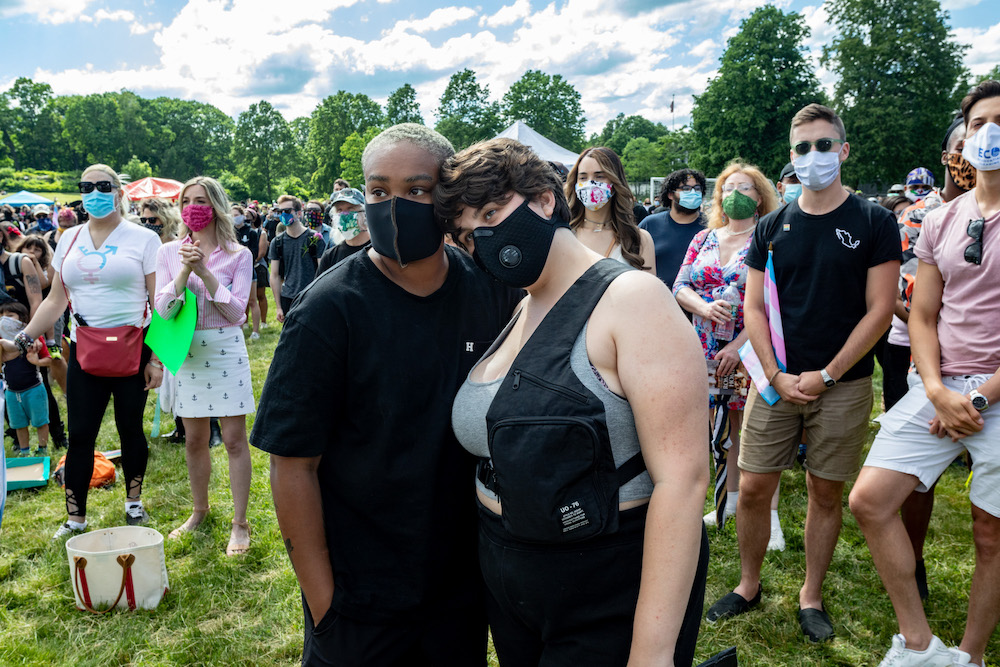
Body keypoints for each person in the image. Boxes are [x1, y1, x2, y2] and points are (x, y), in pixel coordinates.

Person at [251, 124, 520, 666]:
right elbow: (292, 463)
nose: (394, 207)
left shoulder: (488, 290)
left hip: (459, 585)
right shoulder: (329, 310)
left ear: (444, 198)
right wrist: (325, 604)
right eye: (379, 191)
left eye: (417, 190)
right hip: (360, 595)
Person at [436, 136, 709, 667]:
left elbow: (683, 481)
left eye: (492, 212)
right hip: (512, 578)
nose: (484, 238)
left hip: (603, 582)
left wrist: (651, 653)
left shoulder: (632, 300)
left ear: (542, 199)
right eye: (469, 233)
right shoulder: (523, 304)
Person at [705, 104, 900, 644]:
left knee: (825, 493)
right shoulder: (771, 225)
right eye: (802, 147)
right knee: (751, 488)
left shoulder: (872, 220)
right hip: (775, 382)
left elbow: (880, 309)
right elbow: (754, 310)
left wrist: (828, 375)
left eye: (823, 145)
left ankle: (810, 595)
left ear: (842, 149)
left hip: (845, 383)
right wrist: (775, 372)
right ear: (791, 156)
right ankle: (748, 585)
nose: (812, 156)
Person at [849, 80, 1000, 667]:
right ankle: (919, 644)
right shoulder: (941, 220)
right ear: (963, 138)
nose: (992, 133)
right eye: (981, 121)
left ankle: (970, 655)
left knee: (990, 536)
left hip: (992, 395)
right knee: (871, 500)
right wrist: (937, 391)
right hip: (939, 385)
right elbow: (925, 315)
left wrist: (977, 402)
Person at [11, 163, 163, 538]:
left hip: (134, 349)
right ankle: (75, 518)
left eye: (103, 185)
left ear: (118, 191)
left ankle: (134, 502)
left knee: (131, 429)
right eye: (87, 185)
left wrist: (157, 358)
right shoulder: (70, 238)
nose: (95, 191)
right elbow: (55, 300)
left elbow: (159, 301)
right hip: (84, 349)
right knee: (81, 435)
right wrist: (22, 338)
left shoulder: (143, 239)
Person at [672, 161, 785, 550]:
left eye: (746, 188)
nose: (736, 194)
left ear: (760, 198)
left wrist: (738, 348)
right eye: (729, 187)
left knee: (755, 430)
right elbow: (680, 285)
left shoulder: (768, 239)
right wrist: (702, 310)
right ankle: (730, 499)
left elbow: (774, 305)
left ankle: (769, 513)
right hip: (702, 346)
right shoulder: (703, 238)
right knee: (720, 423)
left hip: (751, 350)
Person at [155, 176, 255, 557]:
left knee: (232, 440)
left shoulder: (238, 254)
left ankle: (240, 522)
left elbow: (236, 312)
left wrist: (206, 273)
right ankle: (199, 511)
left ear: (215, 206)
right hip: (188, 351)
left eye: (200, 200)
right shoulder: (168, 253)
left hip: (226, 350)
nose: (192, 207)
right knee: (195, 440)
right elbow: (164, 310)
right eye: (186, 201)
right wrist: (183, 272)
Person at [565, 147, 655, 272]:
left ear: (615, 182)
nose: (590, 184)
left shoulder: (639, 240)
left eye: (599, 176)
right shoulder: (564, 234)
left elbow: (649, 290)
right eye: (583, 178)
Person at [640, 168, 708, 287]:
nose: (693, 192)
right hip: (658, 300)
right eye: (686, 189)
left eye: (697, 188)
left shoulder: (712, 227)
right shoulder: (650, 224)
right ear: (670, 194)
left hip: (702, 302)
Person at [0, 301, 51, 456]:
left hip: (34, 389)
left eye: (9, 316)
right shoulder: (1, 342)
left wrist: (36, 362)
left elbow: (49, 360)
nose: (4, 319)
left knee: (40, 421)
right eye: (1, 316)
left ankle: (42, 449)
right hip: (11, 392)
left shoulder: (34, 338)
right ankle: (24, 451)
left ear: (21, 319)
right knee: (19, 424)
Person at [268, 194, 326, 323]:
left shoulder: (315, 238)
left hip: (311, 297)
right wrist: (278, 306)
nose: (283, 214)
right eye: (280, 211)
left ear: (299, 213)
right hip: (288, 298)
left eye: (287, 211)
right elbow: (274, 275)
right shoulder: (277, 242)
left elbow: (323, 272)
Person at [316, 187, 369, 273]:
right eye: (339, 210)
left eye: (350, 209)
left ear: (364, 213)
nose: (344, 215)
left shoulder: (378, 250)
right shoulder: (330, 256)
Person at [231, 204, 261, 340]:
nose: (234, 218)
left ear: (243, 216)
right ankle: (240, 329)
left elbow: (254, 252)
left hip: (248, 270)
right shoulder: (228, 232)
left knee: (252, 300)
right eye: (231, 216)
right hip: (232, 271)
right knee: (237, 302)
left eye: (236, 215)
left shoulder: (251, 232)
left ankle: (256, 331)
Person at [245, 207, 270, 328]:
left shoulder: (261, 232)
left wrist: (250, 261)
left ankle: (263, 321)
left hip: (258, 266)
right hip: (245, 267)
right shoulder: (242, 231)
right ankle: (245, 322)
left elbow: (261, 253)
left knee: (260, 295)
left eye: (248, 216)